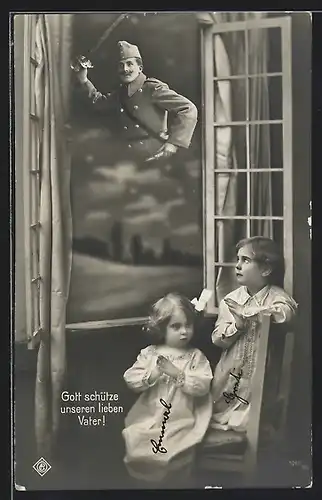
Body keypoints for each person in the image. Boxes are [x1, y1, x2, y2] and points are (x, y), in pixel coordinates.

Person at [209, 236, 298, 436]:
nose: (237, 265)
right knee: (211, 414)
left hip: (260, 384)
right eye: (238, 259)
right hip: (228, 380)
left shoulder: (277, 297)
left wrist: (250, 312)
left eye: (246, 260)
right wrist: (237, 326)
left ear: (266, 269)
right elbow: (217, 338)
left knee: (248, 421)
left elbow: (286, 313)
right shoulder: (230, 300)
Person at [122, 293, 213, 487]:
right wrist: (152, 374)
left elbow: (203, 385)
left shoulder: (195, 356)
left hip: (181, 417)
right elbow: (130, 379)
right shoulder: (150, 354)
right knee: (137, 441)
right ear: (162, 328)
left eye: (188, 325)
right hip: (150, 416)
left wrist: (178, 374)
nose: (184, 332)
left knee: (175, 450)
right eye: (176, 326)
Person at [72, 40, 198, 165]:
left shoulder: (153, 89)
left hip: (155, 158)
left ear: (140, 68)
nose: (125, 69)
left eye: (129, 64)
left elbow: (188, 109)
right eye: (121, 65)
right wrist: (83, 80)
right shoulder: (121, 93)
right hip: (130, 159)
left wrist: (173, 144)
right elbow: (99, 103)